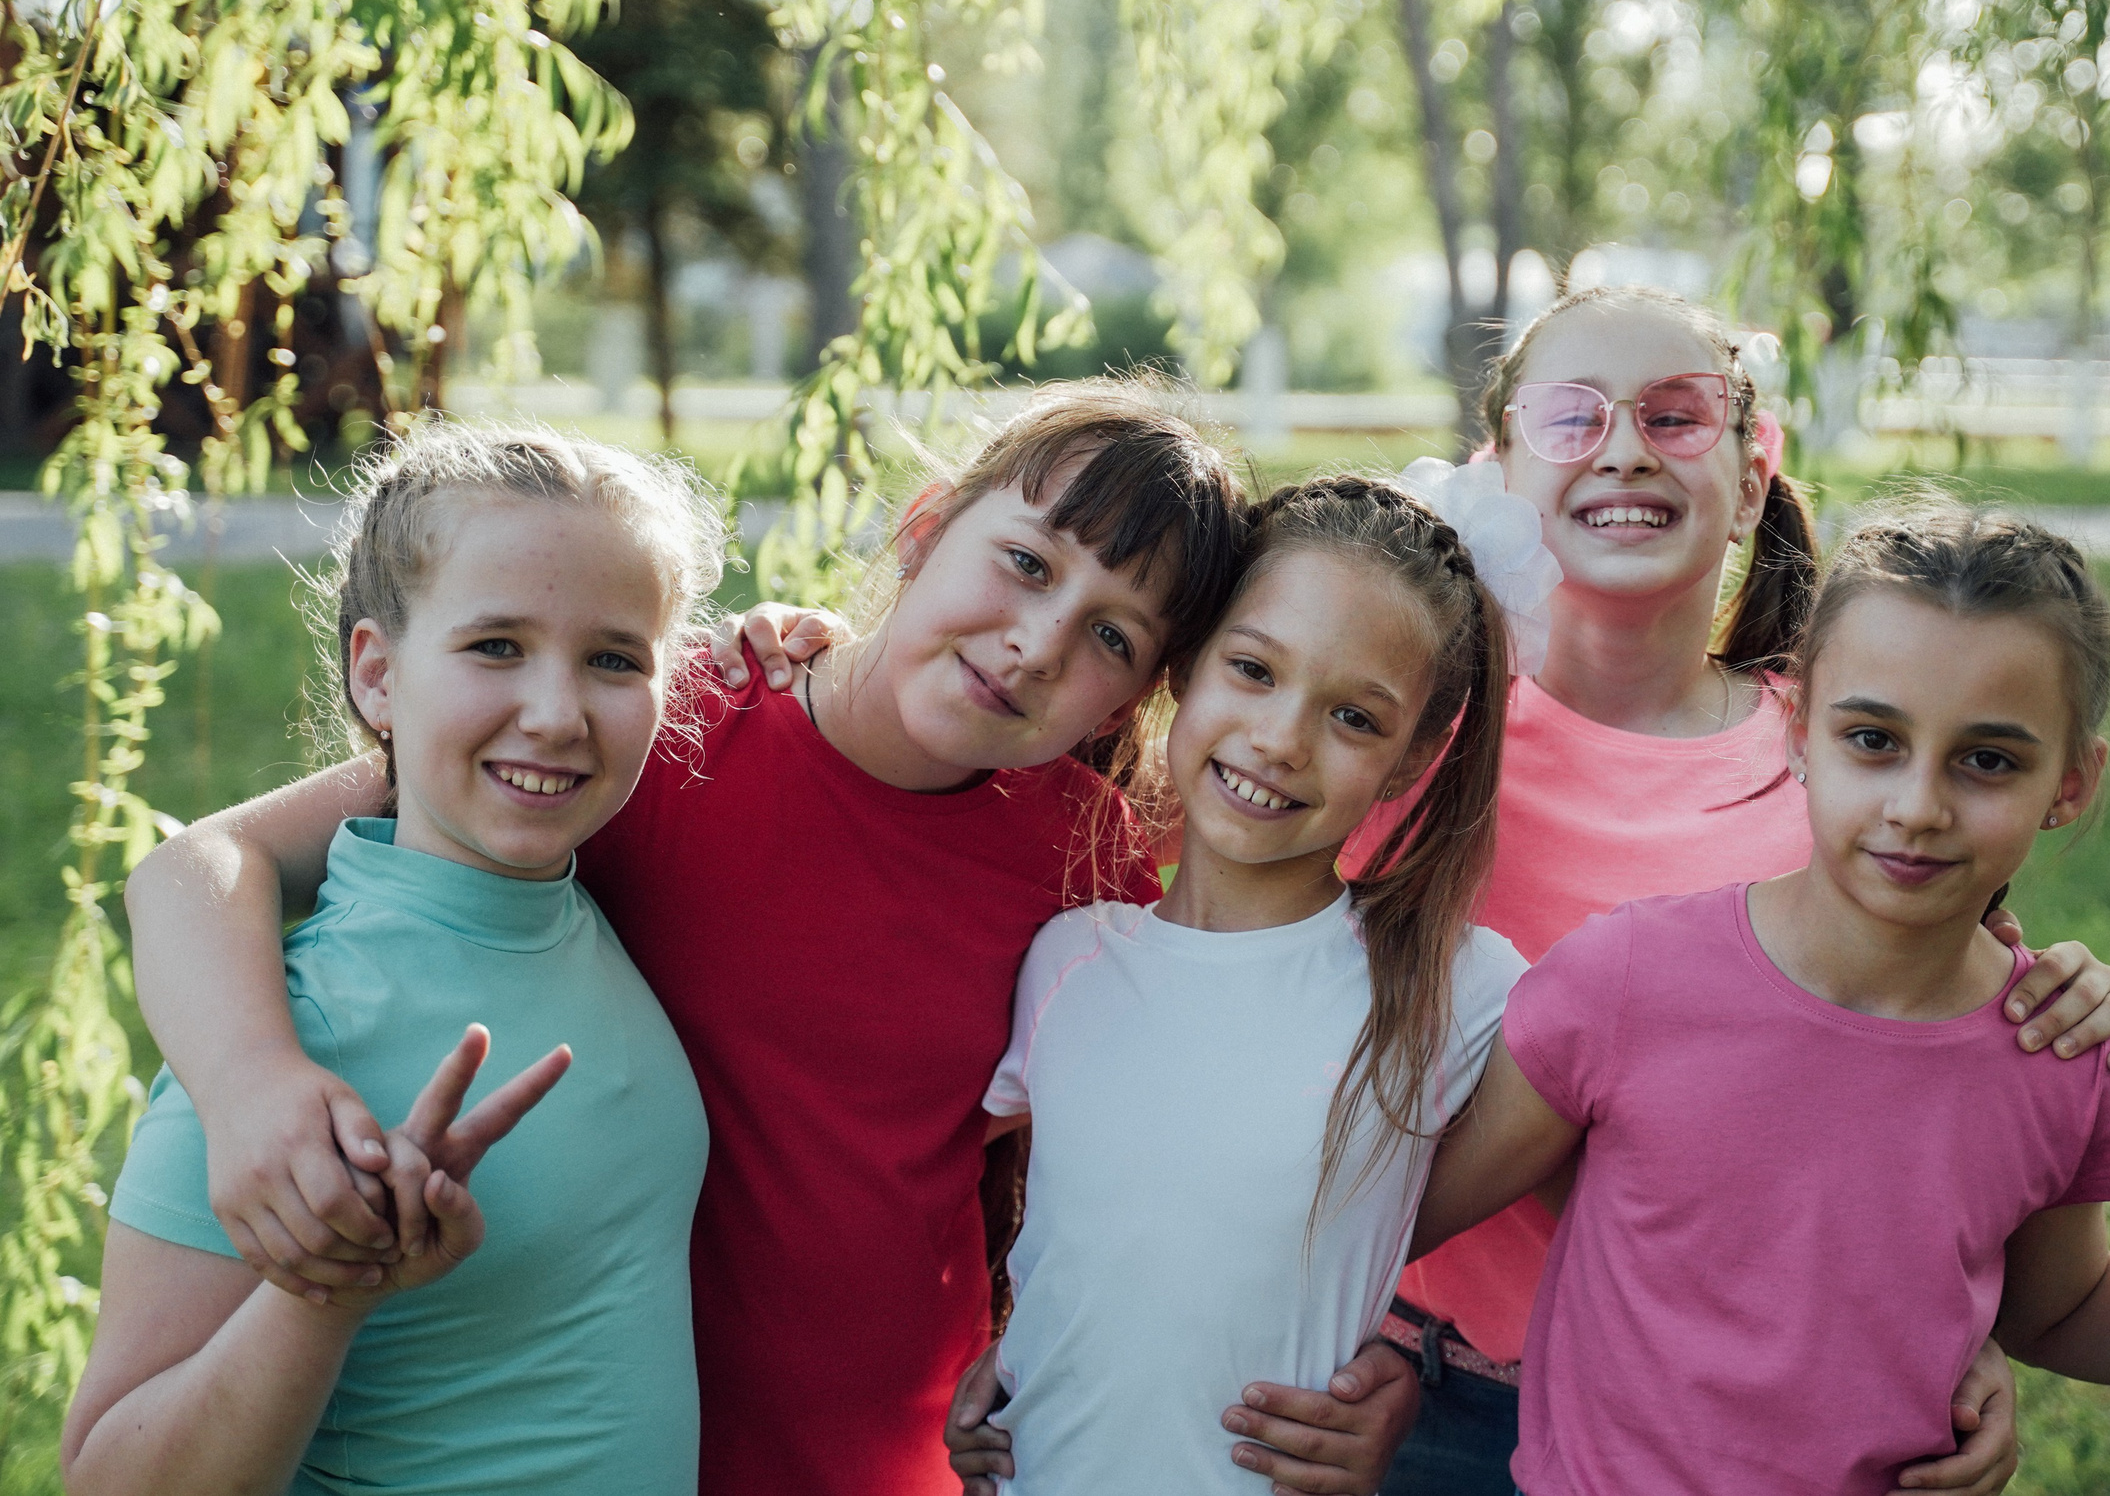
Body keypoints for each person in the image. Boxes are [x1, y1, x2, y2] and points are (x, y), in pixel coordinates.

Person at [120, 383, 1422, 1496]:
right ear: (925, 527)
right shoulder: (649, 725)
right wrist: (249, 1087)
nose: (1036, 643)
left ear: (1137, 693)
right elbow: (204, 865)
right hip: (578, 1428)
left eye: (1111, 636)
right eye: (1026, 563)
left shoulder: (1086, 859)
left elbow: (1169, 1154)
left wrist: (1390, 1347)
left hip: (885, 1454)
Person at [1411, 500, 2110, 1495]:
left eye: (1988, 760)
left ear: (2070, 784)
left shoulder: (2056, 1049)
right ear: (1797, 730)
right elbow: (1410, 1215)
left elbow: (2061, 1308)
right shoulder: (1625, 979)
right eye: (1874, 739)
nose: (1918, 806)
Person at [1350, 287, 2110, 1495]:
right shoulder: (1400, 735)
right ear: (1496, 466)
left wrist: (1949, 1333)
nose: (1625, 448)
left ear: (1750, 470)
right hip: (1418, 1393)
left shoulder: (1851, 758)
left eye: (1676, 414)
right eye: (1571, 416)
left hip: (1721, 1432)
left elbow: (1911, 1110)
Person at [66, 423, 724, 1495]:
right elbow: (110, 1479)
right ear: (377, 674)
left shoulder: (589, 894)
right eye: (495, 645)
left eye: (614, 658)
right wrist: (331, 1285)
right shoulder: (299, 1040)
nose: (557, 715)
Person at [947, 472, 1540, 1493]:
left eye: (1354, 717)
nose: (1279, 739)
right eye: (1254, 669)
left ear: (1409, 762)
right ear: (1186, 663)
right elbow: (1024, 1219)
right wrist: (1002, 1345)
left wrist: (1396, 1377)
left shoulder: (1461, 990)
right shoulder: (1065, 959)